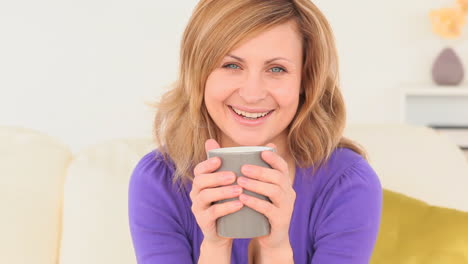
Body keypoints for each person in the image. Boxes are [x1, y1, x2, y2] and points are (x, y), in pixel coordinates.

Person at [128, 0, 382, 263]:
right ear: (198, 74)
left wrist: (276, 249)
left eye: (276, 69)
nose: (252, 94)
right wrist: (214, 247)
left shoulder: (348, 184)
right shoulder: (158, 182)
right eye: (231, 65)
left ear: (305, 81)